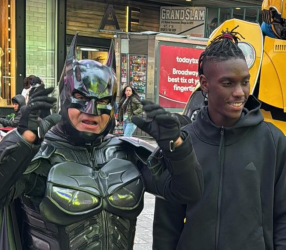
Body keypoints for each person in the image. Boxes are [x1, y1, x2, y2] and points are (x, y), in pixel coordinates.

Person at [0, 35, 204, 250]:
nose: (92, 111)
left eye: (103, 101)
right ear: (64, 97)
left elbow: (188, 193)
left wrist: (177, 147)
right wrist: (22, 141)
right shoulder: (39, 156)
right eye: (81, 98)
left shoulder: (127, 152)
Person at [152, 29, 286, 250]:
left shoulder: (272, 141)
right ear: (205, 83)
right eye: (228, 83)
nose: (240, 92)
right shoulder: (183, 144)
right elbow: (167, 223)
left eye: (245, 82)